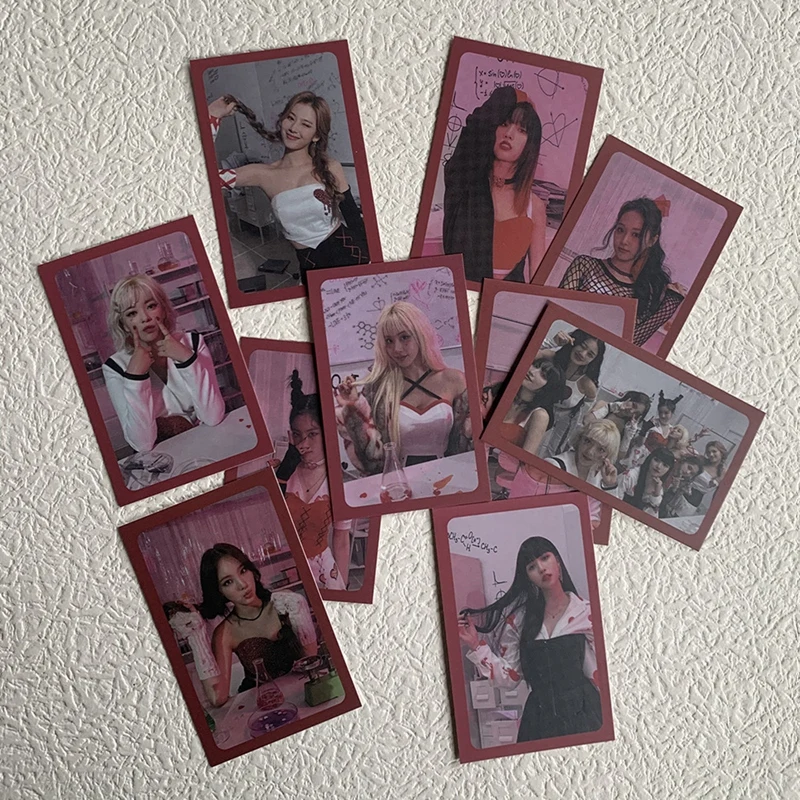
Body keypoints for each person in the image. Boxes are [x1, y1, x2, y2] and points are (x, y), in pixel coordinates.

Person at [208, 92, 369, 283]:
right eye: (291, 118)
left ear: (316, 135)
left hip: (352, 256)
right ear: (282, 119)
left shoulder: (330, 167)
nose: (293, 128)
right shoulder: (262, 174)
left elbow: (354, 219)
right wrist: (213, 115)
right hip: (309, 268)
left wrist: (373, 266)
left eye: (305, 124)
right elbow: (205, 180)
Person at [458, 537, 602, 742]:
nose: (541, 568)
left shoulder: (587, 613)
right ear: (528, 577)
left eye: (545, 558)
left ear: (557, 561)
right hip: (539, 718)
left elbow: (602, 671)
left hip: (585, 711)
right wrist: (475, 644)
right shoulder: (519, 621)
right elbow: (510, 679)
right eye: (532, 566)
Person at [334, 301, 473, 474]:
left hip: (450, 479)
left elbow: (469, 449)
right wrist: (353, 408)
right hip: (398, 484)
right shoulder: (377, 389)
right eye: (389, 341)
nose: (397, 349)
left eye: (404, 337)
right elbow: (371, 463)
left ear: (420, 335)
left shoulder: (454, 380)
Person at [102, 274, 225, 453]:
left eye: (151, 306)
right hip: (161, 454)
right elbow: (142, 444)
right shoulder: (114, 367)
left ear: (164, 309)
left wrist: (187, 360)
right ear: (124, 325)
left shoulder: (192, 342)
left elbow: (213, 417)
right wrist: (135, 377)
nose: (145, 318)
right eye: (132, 313)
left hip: (205, 440)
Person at [442, 86, 546, 283]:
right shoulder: (464, 182)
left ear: (530, 144)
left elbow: (538, 279)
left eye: (522, 130)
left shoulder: (535, 206)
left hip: (508, 299)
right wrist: (519, 96)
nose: (509, 134)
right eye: (504, 124)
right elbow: (477, 125)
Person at [197, 543, 318, 708]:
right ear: (218, 591)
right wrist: (195, 637)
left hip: (302, 692)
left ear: (251, 570)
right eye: (228, 582)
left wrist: (300, 610)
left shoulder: (286, 603)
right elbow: (217, 698)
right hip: (262, 703)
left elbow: (311, 656)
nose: (242, 584)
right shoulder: (225, 632)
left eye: (243, 570)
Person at [558, 198, 684, 346]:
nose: (624, 240)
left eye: (636, 235)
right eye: (620, 230)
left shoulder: (646, 292)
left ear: (652, 241)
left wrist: (668, 306)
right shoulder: (584, 266)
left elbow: (628, 346)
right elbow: (556, 315)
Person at [283, 370, 350, 591]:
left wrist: (344, 583)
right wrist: (281, 473)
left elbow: (341, 538)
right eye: (297, 434)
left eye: (312, 434)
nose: (303, 443)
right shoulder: (284, 474)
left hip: (323, 569)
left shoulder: (339, 482)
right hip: (286, 571)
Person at [536, 330, 606, 458]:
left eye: (590, 354)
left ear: (593, 361)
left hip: (559, 429)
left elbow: (580, 419)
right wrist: (552, 342)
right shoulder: (551, 359)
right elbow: (526, 353)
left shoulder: (587, 384)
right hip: (531, 414)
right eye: (582, 346)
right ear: (574, 341)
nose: (582, 354)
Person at [498, 359, 566, 454]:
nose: (532, 372)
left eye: (543, 375)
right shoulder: (503, 392)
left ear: (549, 387)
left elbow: (525, 456)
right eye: (535, 365)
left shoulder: (540, 415)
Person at [544, 419, 621, 491]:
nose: (590, 451)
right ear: (579, 439)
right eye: (588, 441)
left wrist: (610, 485)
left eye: (601, 449)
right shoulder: (554, 466)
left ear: (607, 456)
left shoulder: (602, 476)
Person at [586, 390, 651, 467]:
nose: (631, 411)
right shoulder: (604, 405)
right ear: (629, 399)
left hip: (597, 461)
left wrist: (627, 437)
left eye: (636, 413)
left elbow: (619, 456)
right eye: (633, 405)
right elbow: (586, 421)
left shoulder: (627, 427)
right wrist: (610, 407)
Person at [603, 447, 676, 516]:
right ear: (649, 459)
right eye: (656, 460)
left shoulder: (659, 486)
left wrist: (656, 495)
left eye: (665, 465)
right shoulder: (630, 476)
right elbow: (612, 501)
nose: (659, 466)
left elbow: (651, 518)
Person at [691, 440, 729, 509]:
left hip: (693, 501)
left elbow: (718, 495)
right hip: (680, 490)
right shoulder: (701, 461)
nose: (711, 454)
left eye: (714, 451)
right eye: (708, 452)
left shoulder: (723, 473)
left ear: (721, 453)